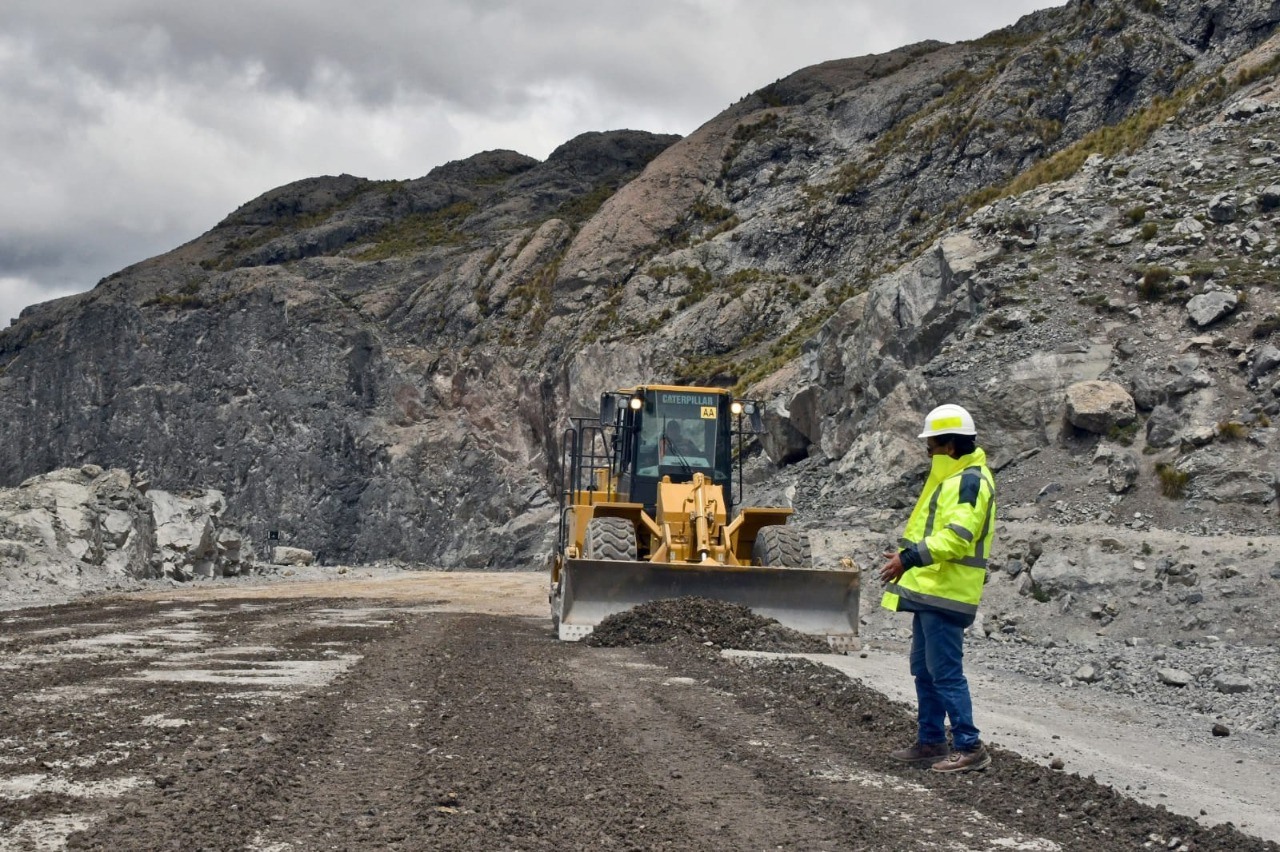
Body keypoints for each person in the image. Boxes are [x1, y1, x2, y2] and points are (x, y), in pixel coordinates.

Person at [879, 403, 996, 773]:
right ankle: (930, 741)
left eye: (931, 443)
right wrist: (906, 557)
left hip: (948, 591)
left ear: (948, 444)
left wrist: (910, 559)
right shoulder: (951, 478)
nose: (926, 449)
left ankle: (969, 746)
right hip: (932, 589)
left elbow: (958, 537)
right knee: (924, 668)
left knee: (944, 671)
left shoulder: (969, 481)